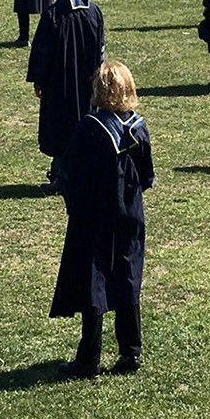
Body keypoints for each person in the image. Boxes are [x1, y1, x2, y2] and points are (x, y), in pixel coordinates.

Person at [49, 61, 154, 378]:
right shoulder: (138, 128)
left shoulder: (90, 128)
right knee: (127, 276)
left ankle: (89, 357)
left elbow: (71, 174)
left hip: (94, 216)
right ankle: (130, 352)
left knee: (94, 281)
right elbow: (147, 176)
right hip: (130, 215)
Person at [28, 0, 107, 171]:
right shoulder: (94, 12)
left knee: (60, 127)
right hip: (87, 83)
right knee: (84, 123)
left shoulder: (55, 14)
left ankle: (61, 172)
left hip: (59, 84)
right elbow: (100, 48)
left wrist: (39, 80)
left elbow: (42, 52)